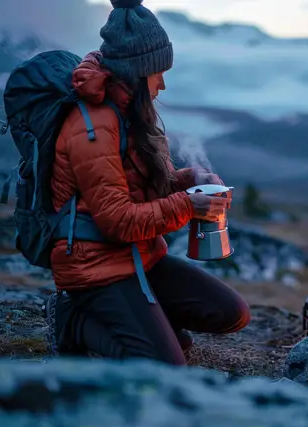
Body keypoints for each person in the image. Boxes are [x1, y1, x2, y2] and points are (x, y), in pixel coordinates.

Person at [44, 0, 251, 365]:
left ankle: (149, 325)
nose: (163, 84)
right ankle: (72, 321)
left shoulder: (129, 111)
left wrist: (189, 180)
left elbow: (140, 188)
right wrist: (190, 204)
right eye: (158, 74)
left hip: (140, 257)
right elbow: (118, 220)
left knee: (231, 312)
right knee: (167, 366)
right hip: (95, 266)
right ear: (137, 73)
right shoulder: (94, 127)